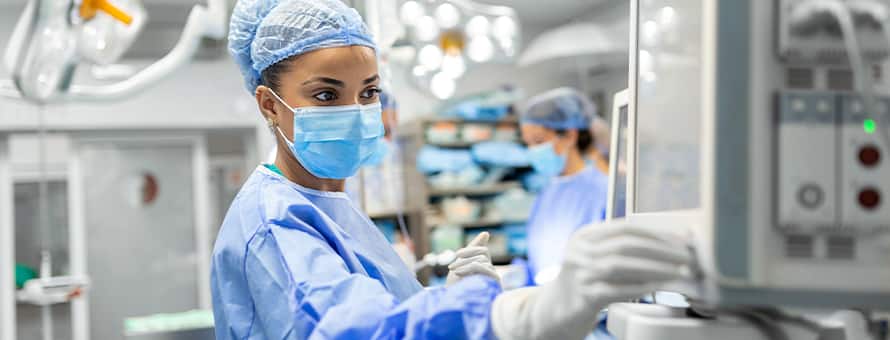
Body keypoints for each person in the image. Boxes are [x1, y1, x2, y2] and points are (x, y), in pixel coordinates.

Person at [211, 1, 692, 339]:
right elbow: (352, 331)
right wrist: (506, 316)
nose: (356, 110)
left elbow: (383, 311)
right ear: (269, 105)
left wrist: (454, 298)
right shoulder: (275, 221)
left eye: (369, 92)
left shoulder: (326, 205)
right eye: (325, 95)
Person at [519, 87, 611, 284]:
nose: (533, 151)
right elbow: (536, 259)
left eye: (538, 141)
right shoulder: (546, 193)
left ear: (570, 136)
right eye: (527, 143)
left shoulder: (604, 191)